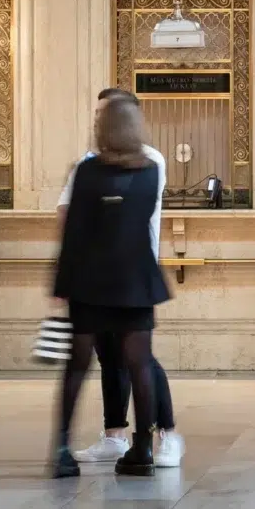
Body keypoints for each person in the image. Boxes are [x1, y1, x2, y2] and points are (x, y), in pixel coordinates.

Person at [49, 92, 171, 477]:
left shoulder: (87, 171)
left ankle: (62, 448)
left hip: (90, 279)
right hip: (135, 277)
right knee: (140, 363)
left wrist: (61, 283)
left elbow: (75, 231)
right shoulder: (150, 170)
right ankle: (142, 449)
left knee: (78, 364)